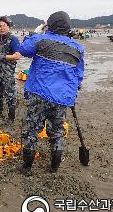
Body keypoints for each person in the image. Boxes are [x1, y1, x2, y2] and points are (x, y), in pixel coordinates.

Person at [19, 11, 84, 173]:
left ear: (50, 25)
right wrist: (72, 93)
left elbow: (23, 49)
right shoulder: (77, 48)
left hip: (39, 94)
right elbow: (78, 75)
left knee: (31, 129)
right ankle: (54, 168)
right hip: (62, 98)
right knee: (57, 132)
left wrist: (35, 32)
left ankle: (26, 167)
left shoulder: (41, 40)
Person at [0, 16, 21, 123]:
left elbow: (17, 56)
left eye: (4, 25)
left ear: (8, 26)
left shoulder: (13, 40)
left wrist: (3, 57)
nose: (2, 28)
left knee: (10, 94)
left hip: (7, 73)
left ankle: (11, 117)